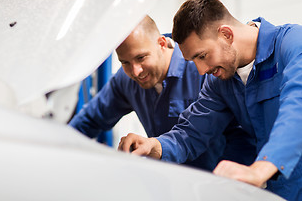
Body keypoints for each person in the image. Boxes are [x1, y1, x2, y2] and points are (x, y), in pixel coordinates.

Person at [118, 0, 302, 200]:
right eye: (193, 61)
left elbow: (299, 108)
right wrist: (154, 146)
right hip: (279, 191)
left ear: (226, 34)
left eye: (202, 56)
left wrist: (260, 169)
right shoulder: (221, 82)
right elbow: (191, 132)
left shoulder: (295, 44)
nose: (201, 71)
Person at [69, 15, 256, 171]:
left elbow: (241, 134)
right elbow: (89, 120)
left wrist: (228, 186)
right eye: (125, 62)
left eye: (141, 58)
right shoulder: (126, 80)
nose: (136, 71)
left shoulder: (203, 70)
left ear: (161, 43)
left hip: (215, 185)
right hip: (166, 185)